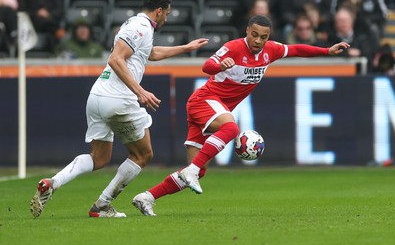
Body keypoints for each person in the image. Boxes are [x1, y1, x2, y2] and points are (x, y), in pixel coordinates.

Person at [132, 14, 350, 216]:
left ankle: (146, 197)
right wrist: (219, 64)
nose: (257, 40)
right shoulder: (234, 47)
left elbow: (296, 50)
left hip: (213, 109)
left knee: (198, 171)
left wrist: (326, 51)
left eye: (263, 37)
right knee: (231, 129)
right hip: (204, 101)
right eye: (254, 35)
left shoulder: (270, 51)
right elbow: (207, 66)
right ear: (247, 31)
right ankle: (192, 170)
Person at [29, 0, 208, 218]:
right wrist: (140, 91)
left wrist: (185, 48)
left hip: (98, 96)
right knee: (143, 155)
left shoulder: (136, 25)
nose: (167, 18)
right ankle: (102, 205)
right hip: (118, 98)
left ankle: (52, 182)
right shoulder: (141, 27)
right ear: (159, 10)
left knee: (99, 158)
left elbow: (149, 53)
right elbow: (115, 59)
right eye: (167, 14)